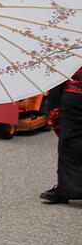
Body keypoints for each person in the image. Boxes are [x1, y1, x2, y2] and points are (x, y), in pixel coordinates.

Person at [40, 66, 82, 203]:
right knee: (69, 143)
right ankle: (65, 188)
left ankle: (65, 189)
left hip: (74, 92)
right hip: (74, 93)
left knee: (70, 142)